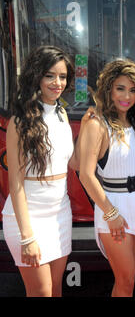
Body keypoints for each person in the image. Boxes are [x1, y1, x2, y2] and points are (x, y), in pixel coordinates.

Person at [78, 59, 135, 297]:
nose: (127, 96)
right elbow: (85, 174)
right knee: (125, 280)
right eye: (120, 88)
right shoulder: (98, 124)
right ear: (109, 90)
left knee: (128, 281)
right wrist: (110, 213)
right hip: (115, 208)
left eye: (133, 90)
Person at [2, 46, 76, 296]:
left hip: (60, 216)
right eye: (50, 75)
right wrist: (27, 237)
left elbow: (73, 163)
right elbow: (16, 184)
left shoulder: (62, 113)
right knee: (41, 293)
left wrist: (91, 129)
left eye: (63, 77)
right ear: (37, 77)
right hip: (28, 218)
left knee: (55, 291)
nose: (58, 83)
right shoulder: (19, 121)